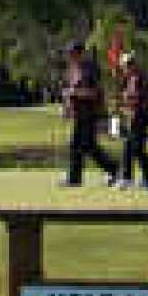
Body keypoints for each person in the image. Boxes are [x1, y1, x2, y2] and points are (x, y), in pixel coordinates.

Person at [60, 40, 118, 187]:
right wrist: (67, 105)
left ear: (80, 54)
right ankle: (75, 178)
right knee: (79, 146)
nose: (70, 57)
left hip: (91, 114)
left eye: (73, 54)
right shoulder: (72, 70)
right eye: (69, 54)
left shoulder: (90, 69)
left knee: (87, 146)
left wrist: (75, 93)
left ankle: (114, 170)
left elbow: (95, 93)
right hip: (78, 114)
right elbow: (69, 91)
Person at [117, 50, 148, 190]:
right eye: (124, 65)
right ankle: (142, 179)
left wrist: (128, 99)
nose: (125, 68)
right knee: (132, 148)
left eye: (127, 65)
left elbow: (142, 98)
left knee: (135, 148)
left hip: (141, 117)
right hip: (133, 117)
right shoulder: (130, 79)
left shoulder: (140, 78)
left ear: (132, 65)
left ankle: (137, 179)